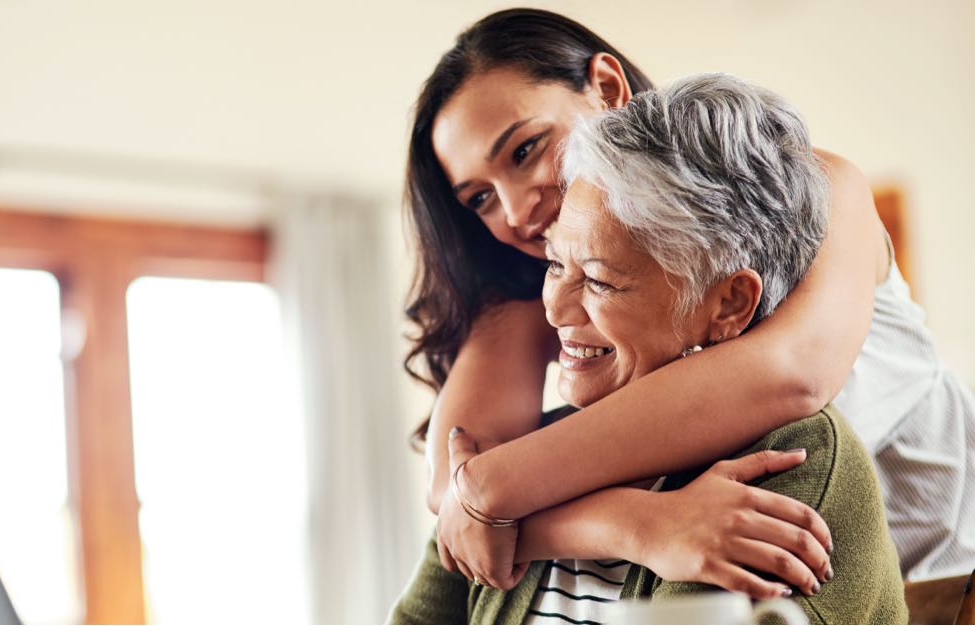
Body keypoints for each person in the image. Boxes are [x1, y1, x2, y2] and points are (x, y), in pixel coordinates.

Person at [403, 7, 975, 595]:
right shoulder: (540, 292)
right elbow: (455, 494)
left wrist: (494, 492)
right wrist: (636, 525)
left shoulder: (813, 191)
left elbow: (791, 377)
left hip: (948, 580)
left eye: (525, 151)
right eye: (480, 199)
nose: (518, 211)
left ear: (604, 87)